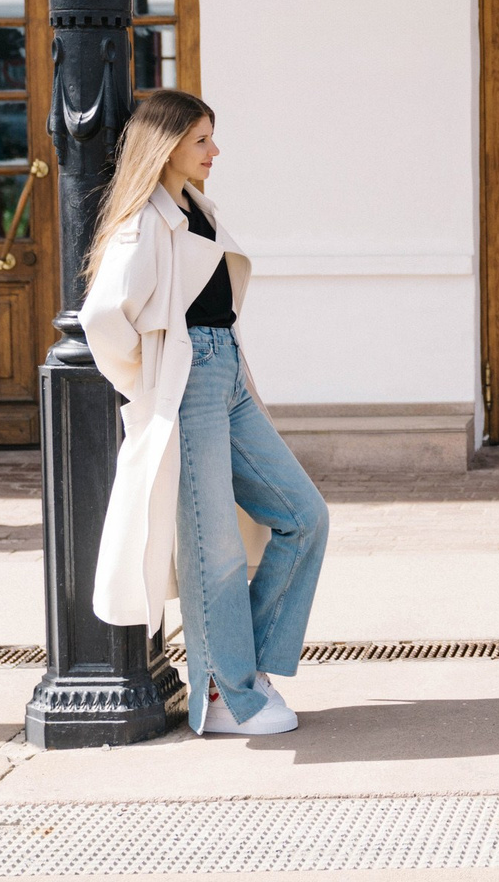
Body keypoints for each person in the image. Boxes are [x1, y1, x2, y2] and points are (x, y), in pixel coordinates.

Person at [80, 89, 329, 736]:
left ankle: (248, 666)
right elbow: (102, 320)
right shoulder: (144, 224)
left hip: (228, 373)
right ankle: (224, 694)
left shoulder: (196, 209)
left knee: (304, 516)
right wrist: (152, 383)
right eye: (201, 139)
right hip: (189, 379)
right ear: (165, 147)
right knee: (213, 548)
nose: (214, 150)